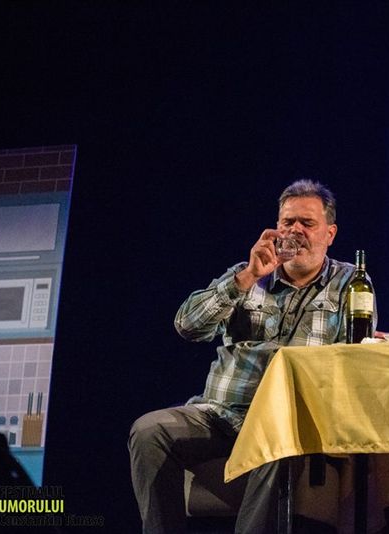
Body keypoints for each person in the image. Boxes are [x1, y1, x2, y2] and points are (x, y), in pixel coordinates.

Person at [129, 179, 366, 534]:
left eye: (307, 223)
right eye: (288, 222)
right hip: (220, 414)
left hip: (285, 422)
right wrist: (248, 276)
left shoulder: (350, 282)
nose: (295, 231)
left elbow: (355, 358)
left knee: (277, 448)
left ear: (329, 233)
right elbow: (187, 326)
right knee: (149, 431)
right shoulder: (248, 273)